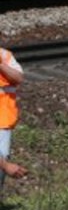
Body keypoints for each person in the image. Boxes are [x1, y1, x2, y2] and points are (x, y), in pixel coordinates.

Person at [0, 44, 25, 193]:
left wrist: (1, 65)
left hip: (4, 121)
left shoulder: (5, 55)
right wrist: (7, 166)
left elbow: (18, 78)